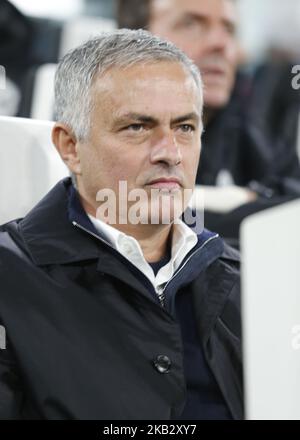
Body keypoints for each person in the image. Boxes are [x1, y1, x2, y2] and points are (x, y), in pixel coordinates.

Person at [0, 29, 243, 420]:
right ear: (70, 147)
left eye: (184, 127)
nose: (170, 154)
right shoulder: (10, 279)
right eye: (138, 127)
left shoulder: (249, 280)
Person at [117, 0, 300, 244]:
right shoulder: (101, 140)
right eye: (191, 24)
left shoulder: (248, 129)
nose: (220, 43)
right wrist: (244, 202)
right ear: (130, 42)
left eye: (229, 29)